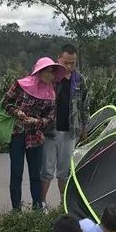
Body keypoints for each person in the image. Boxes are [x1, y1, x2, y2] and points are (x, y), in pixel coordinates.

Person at [3, 57, 64, 211]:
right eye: (49, 72)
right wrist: (18, 112)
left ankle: (37, 208)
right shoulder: (20, 85)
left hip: (36, 137)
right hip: (17, 134)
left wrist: (36, 122)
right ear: (40, 72)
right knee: (16, 173)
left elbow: (50, 117)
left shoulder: (51, 93)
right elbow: (6, 103)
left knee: (35, 174)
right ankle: (16, 209)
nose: (52, 76)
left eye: (53, 73)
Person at [40, 44, 89, 206]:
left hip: (70, 131)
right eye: (66, 62)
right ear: (58, 59)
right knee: (46, 171)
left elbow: (84, 105)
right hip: (49, 130)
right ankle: (41, 204)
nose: (69, 66)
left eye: (72, 63)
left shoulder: (79, 79)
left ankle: (64, 203)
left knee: (64, 172)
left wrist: (84, 129)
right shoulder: (50, 77)